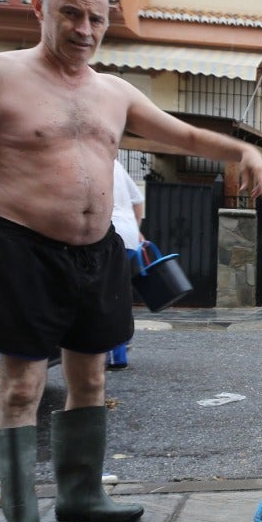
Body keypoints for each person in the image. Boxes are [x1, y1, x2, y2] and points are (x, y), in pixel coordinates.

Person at [0, 0, 262, 522]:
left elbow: (184, 133)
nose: (84, 29)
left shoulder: (114, 91)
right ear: (39, 8)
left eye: (96, 18)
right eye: (70, 14)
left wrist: (241, 150)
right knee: (21, 390)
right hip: (22, 248)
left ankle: (81, 496)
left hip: (98, 252)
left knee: (90, 381)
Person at [107, 159, 144, 371]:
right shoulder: (116, 164)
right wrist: (136, 230)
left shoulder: (92, 159)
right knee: (119, 292)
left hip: (109, 234)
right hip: (129, 235)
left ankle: (116, 354)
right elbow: (138, 200)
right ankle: (123, 340)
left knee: (107, 295)